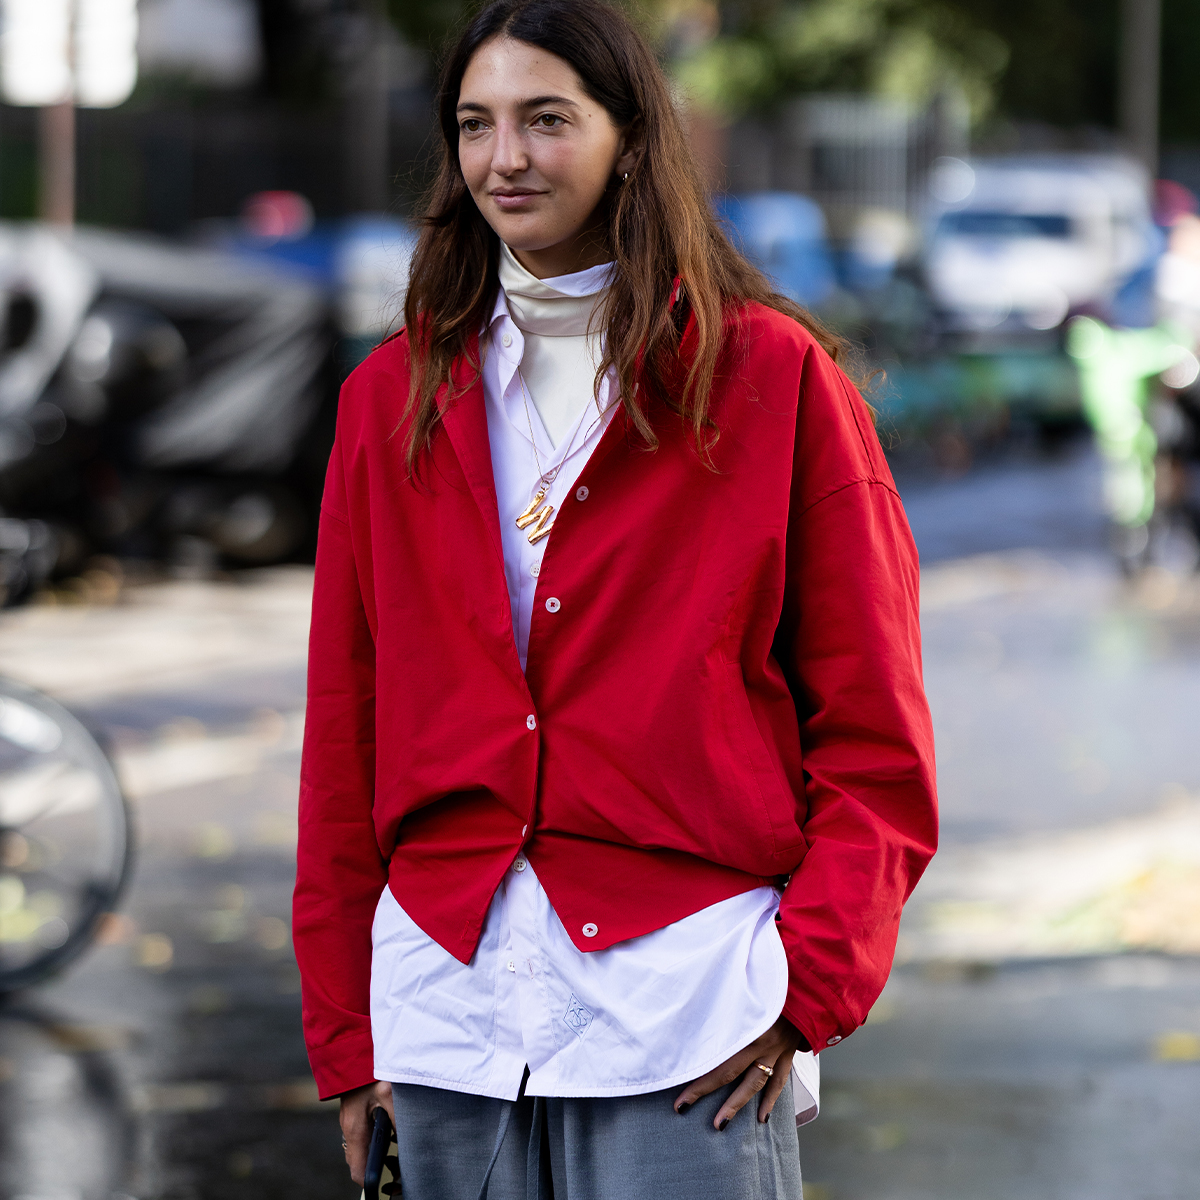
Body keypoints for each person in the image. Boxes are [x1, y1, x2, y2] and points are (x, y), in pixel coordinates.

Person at [292, 1, 938, 1196]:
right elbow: (346, 732)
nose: (507, 158)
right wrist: (347, 1033)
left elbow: (876, 734)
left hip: (686, 1016)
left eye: (548, 119)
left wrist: (808, 989)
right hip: (448, 1016)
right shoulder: (390, 400)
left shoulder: (772, 382)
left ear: (632, 137)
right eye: (476, 125)